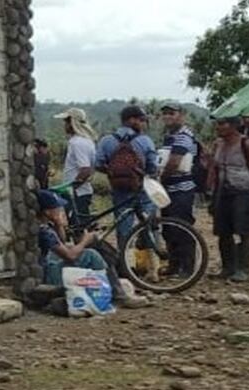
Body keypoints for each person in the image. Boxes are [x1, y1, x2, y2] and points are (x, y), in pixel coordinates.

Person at [36, 190, 148, 312]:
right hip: (48, 274)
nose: (60, 210)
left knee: (90, 248)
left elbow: (60, 242)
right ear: (47, 212)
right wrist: (85, 241)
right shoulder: (44, 231)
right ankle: (119, 296)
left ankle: (116, 287)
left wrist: (59, 224)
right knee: (91, 255)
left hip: (47, 266)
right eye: (57, 208)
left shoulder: (45, 226)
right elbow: (70, 256)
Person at [208, 116, 249, 281]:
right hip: (222, 192)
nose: (218, 127)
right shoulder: (218, 144)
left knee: (244, 231)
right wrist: (211, 193)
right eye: (218, 124)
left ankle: (243, 268)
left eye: (222, 123)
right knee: (223, 231)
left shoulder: (246, 144)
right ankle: (228, 267)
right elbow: (215, 169)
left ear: (234, 125)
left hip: (243, 191)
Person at [95, 106, 158, 255]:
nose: (143, 124)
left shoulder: (106, 140)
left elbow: (98, 164)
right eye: (142, 120)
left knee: (123, 226)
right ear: (132, 120)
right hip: (142, 189)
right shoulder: (145, 140)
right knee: (147, 225)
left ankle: (126, 263)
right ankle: (152, 267)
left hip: (119, 189)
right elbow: (152, 167)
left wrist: (114, 173)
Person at [157, 103, 201, 278]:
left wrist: (160, 180)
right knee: (168, 228)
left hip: (182, 189)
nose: (168, 117)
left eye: (172, 113)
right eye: (165, 113)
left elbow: (174, 162)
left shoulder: (184, 136)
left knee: (182, 228)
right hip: (170, 189)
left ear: (181, 115)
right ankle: (174, 265)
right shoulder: (169, 136)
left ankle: (187, 268)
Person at [53, 108, 98, 221]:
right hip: (81, 192)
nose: (65, 125)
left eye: (66, 122)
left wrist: (70, 188)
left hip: (77, 194)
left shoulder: (77, 143)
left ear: (72, 123)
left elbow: (85, 170)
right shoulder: (87, 141)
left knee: (78, 229)